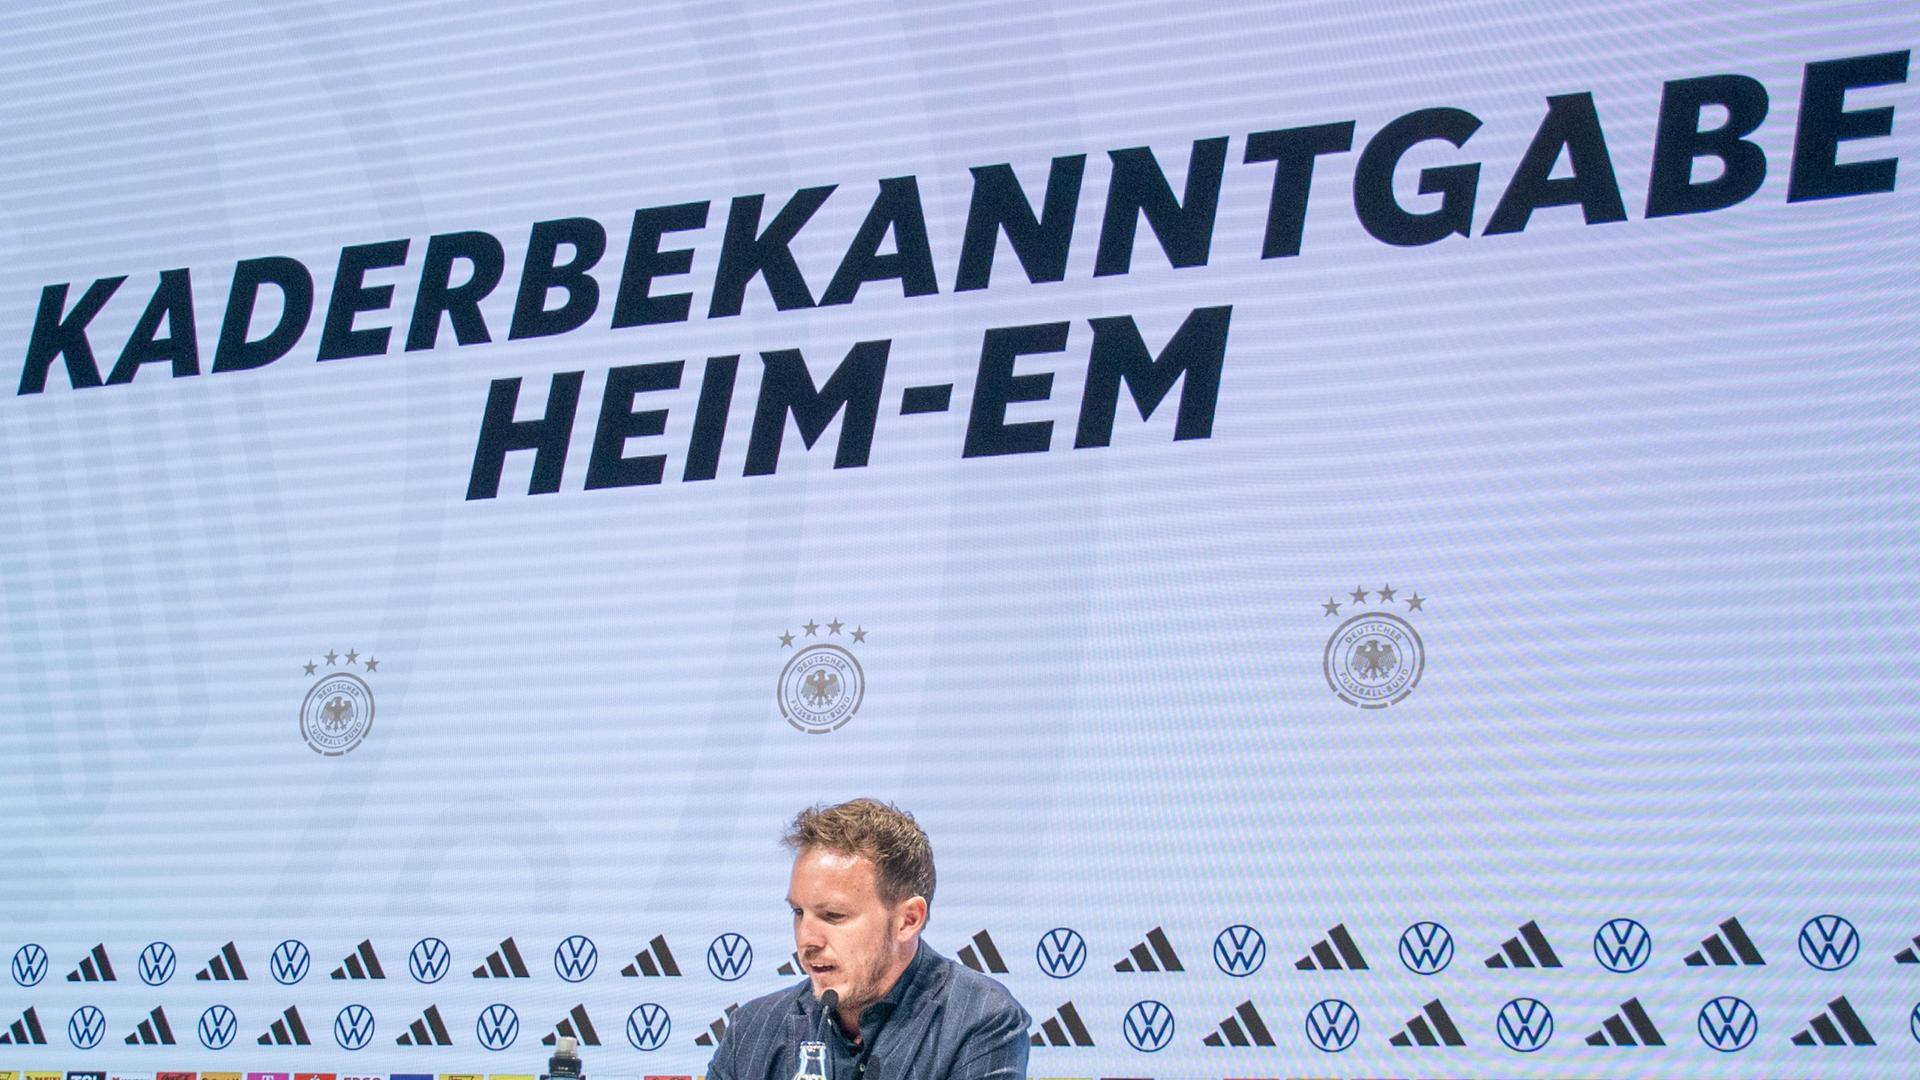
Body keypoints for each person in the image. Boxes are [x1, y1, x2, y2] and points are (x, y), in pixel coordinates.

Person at [705, 798, 1031, 1079]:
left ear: (908, 920)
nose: (807, 940)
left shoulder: (981, 1019)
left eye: (834, 915)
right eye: (799, 912)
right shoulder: (752, 1029)